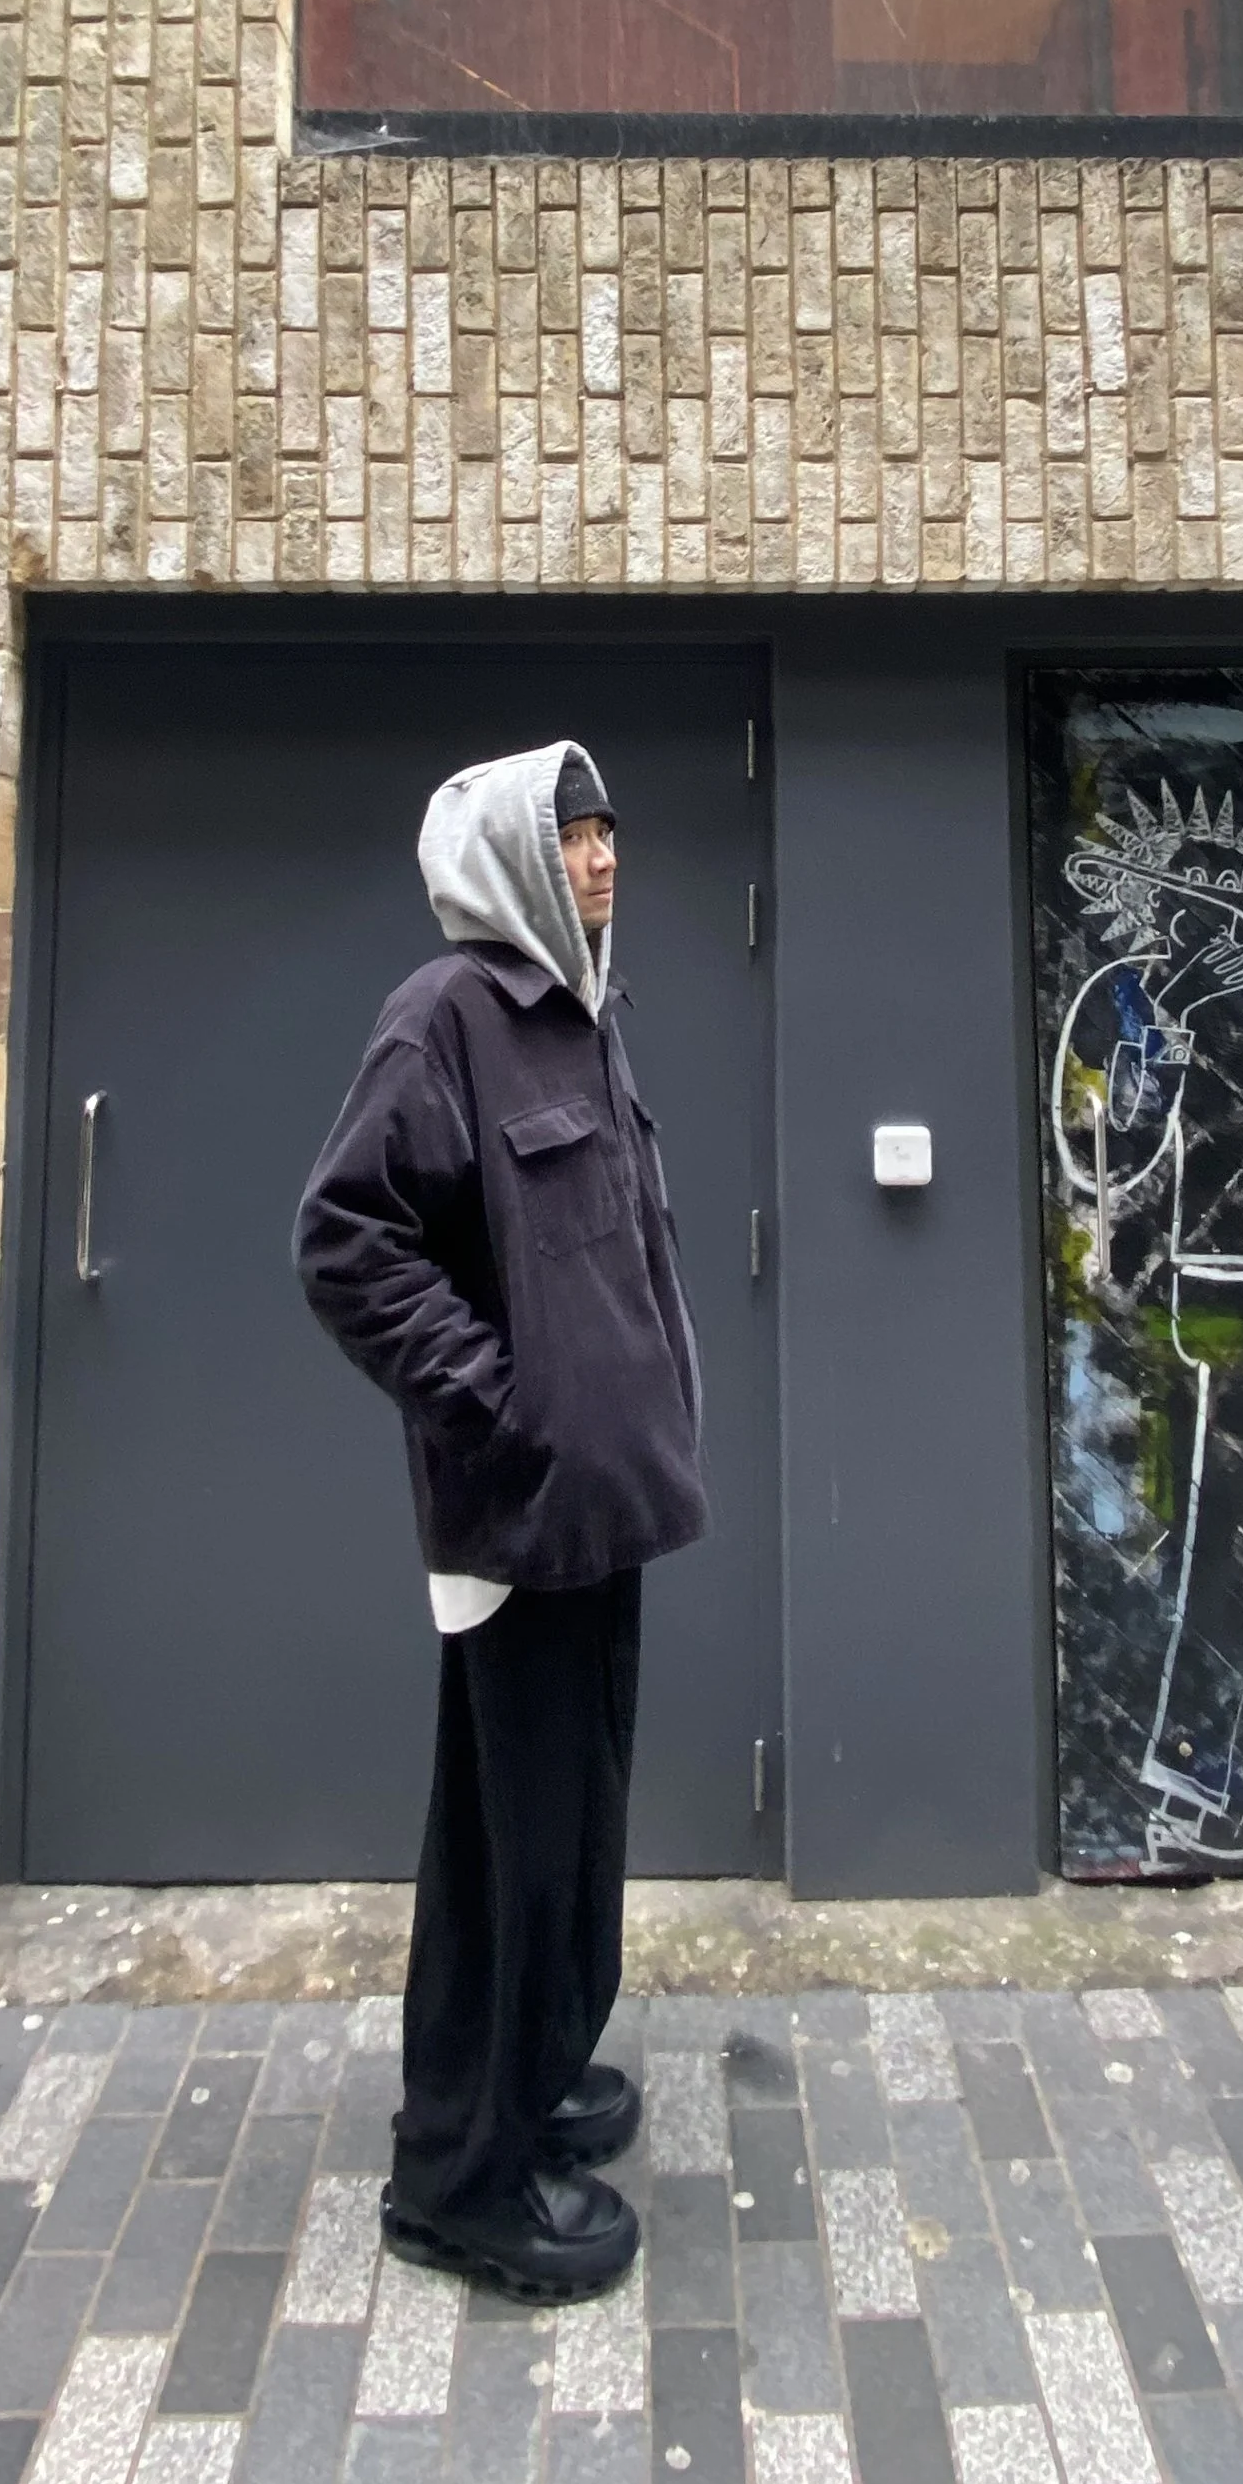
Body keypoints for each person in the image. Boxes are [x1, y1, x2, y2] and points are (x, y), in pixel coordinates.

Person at [294, 741, 706, 2301]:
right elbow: (345, 1241)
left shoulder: (579, 1016)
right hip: (519, 1515)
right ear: (509, 860)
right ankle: (459, 2180)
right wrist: (498, 1397)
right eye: (573, 835)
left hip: (602, 1510)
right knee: (509, 1847)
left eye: (610, 832)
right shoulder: (446, 1019)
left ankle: (533, 2074)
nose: (603, 859)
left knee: (578, 1824)